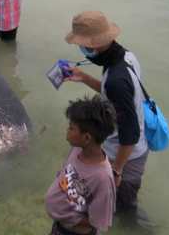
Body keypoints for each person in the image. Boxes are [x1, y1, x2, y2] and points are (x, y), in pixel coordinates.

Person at [63, 11, 150, 221]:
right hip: (131, 149)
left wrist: (117, 170)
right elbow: (114, 96)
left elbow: (130, 134)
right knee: (118, 207)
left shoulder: (116, 80)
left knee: (124, 213)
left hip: (125, 155)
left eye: (81, 45)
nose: (81, 49)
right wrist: (83, 77)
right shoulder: (126, 57)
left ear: (93, 45)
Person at [45, 95, 117, 235]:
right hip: (60, 227)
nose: (67, 131)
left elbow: (98, 220)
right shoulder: (77, 149)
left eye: (71, 128)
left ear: (87, 138)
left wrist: (70, 218)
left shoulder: (102, 178)